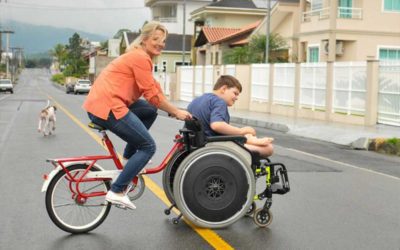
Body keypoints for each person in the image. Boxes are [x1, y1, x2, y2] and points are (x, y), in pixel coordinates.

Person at [83, 21, 191, 210]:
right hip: (108, 107)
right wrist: (175, 112)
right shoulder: (140, 58)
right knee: (148, 146)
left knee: (149, 110)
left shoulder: (139, 57)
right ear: (145, 39)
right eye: (156, 39)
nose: (160, 44)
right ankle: (117, 190)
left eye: (163, 41)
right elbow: (151, 94)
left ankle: (128, 159)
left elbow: (154, 90)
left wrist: (173, 110)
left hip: (104, 104)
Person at [187, 75, 273, 157]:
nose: (236, 98)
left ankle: (251, 139)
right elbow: (216, 125)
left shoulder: (196, 100)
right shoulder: (219, 101)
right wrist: (241, 131)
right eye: (235, 93)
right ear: (224, 89)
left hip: (196, 144)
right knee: (268, 148)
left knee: (246, 136)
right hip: (213, 145)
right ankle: (252, 140)